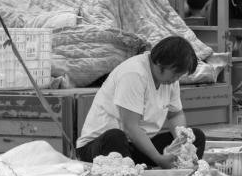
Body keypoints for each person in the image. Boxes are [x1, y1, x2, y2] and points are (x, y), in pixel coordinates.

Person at [75, 36, 204, 168]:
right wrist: (159, 159)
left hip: (137, 146)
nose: (176, 79)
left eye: (179, 76)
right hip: (101, 146)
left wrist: (180, 141)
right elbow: (131, 127)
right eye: (175, 74)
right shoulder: (134, 73)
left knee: (196, 137)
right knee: (115, 137)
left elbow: (175, 115)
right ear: (160, 64)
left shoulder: (170, 80)